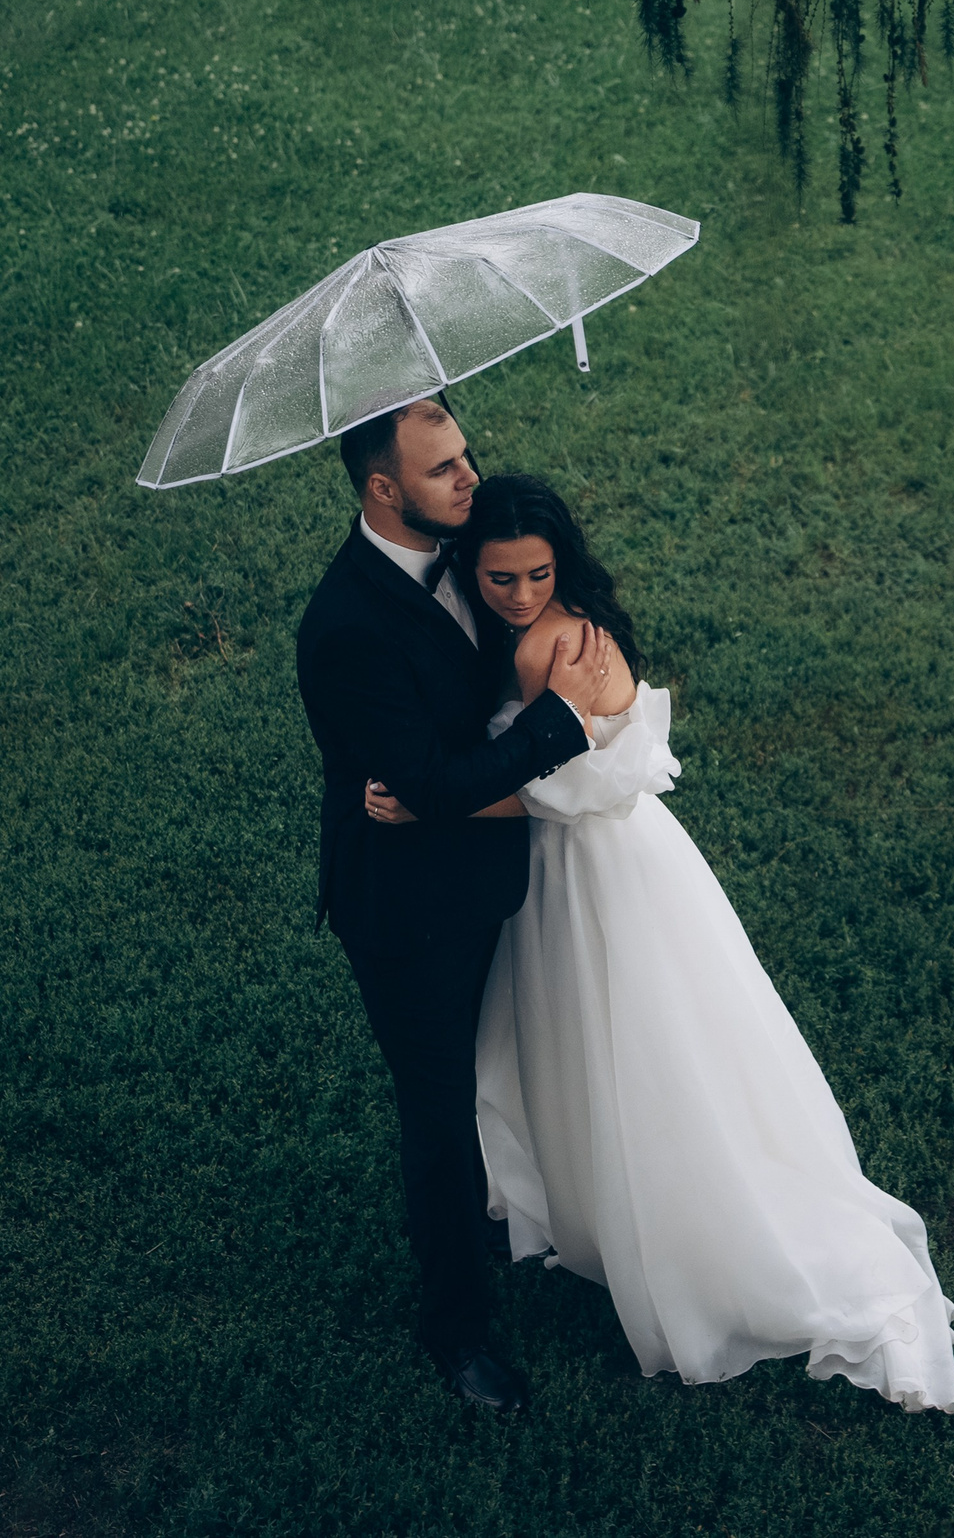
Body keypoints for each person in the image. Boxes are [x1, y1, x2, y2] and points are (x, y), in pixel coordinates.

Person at [364, 474, 954, 1413]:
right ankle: (596, 1195)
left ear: (560, 567)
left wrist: (426, 801)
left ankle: (674, 1224)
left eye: (534, 574)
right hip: (604, 859)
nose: (517, 594)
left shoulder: (548, 651)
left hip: (589, 863)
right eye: (499, 577)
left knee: (631, 1041)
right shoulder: (559, 629)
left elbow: (557, 788)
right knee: (602, 1036)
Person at [292, 399, 613, 1415]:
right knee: (436, 1112)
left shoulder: (474, 543)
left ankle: (528, 1198)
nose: (469, 478)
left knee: (506, 1061)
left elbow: (448, 758)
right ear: (381, 489)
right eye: (442, 470)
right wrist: (557, 726)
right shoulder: (344, 627)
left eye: (465, 456)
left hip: (489, 868)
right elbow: (426, 784)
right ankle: (456, 1329)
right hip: (406, 908)